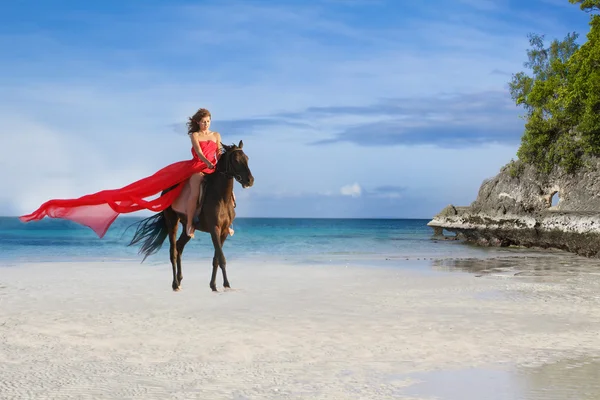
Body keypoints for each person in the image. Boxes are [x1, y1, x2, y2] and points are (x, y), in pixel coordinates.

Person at [18, 108, 223, 239]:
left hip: (213, 168)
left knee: (225, 189)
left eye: (208, 120)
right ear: (197, 122)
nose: (206, 124)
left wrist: (219, 163)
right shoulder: (195, 135)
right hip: (196, 168)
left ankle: (226, 222)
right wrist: (207, 163)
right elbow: (198, 152)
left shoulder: (216, 135)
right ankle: (189, 224)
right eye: (203, 121)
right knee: (195, 189)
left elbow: (220, 152)